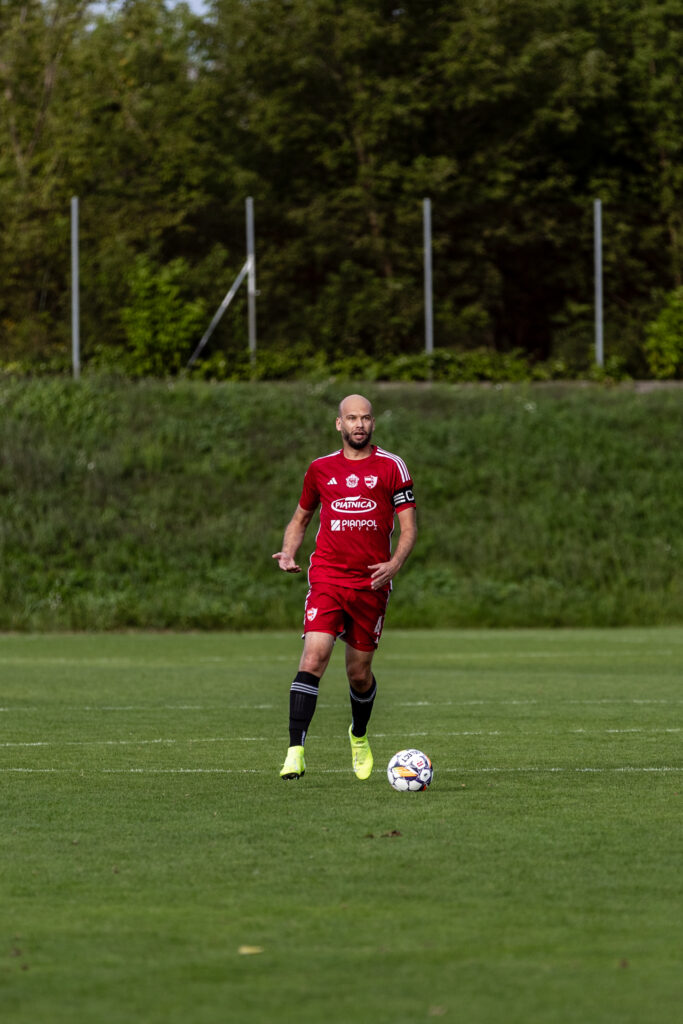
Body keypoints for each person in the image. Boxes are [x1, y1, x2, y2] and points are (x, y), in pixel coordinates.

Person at [272, 394, 417, 781]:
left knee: (358, 674)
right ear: (339, 424)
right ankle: (295, 751)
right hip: (328, 577)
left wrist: (394, 564)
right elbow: (300, 519)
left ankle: (359, 735)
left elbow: (408, 527)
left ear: (373, 423)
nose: (359, 424)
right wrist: (289, 552)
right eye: (352, 418)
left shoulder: (392, 466)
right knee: (313, 657)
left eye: (365, 418)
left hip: (371, 583)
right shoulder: (320, 469)